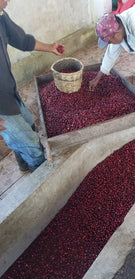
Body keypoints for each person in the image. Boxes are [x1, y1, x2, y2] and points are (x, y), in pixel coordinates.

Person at [0, 0, 65, 173]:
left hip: (8, 92)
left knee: (29, 125)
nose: (7, 1)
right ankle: (40, 175)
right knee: (31, 145)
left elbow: (21, 40)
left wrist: (50, 47)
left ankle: (24, 166)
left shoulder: (1, 16)